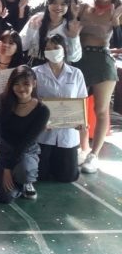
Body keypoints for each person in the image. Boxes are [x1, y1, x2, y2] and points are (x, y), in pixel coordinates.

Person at [74, 0, 122, 173]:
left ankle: (94, 155)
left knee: (101, 110)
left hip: (103, 60)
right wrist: (74, 15)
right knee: (78, 108)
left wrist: (116, 22)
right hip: (80, 60)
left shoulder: (117, 10)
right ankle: (82, 148)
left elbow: (119, 43)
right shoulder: (84, 8)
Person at [34, 34, 87, 183]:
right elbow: (31, 100)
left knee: (67, 177)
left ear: (64, 49)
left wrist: (82, 124)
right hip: (44, 132)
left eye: (56, 47)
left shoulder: (76, 73)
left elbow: (81, 100)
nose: (52, 51)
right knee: (40, 175)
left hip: (68, 133)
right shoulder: (35, 72)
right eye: (48, 48)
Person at [0, 65, 49, 203]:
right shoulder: (1, 100)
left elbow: (26, 143)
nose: (21, 88)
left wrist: (8, 168)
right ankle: (14, 183)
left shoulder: (42, 110)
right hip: (1, 150)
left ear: (34, 83)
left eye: (26, 84)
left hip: (25, 151)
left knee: (24, 171)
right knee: (4, 198)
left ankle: (25, 182)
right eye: (16, 84)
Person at [20, 0, 82, 66]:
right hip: (35, 66)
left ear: (68, 6)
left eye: (63, 4)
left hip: (58, 68)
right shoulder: (36, 19)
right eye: (54, 3)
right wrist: (31, 29)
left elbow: (74, 58)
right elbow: (22, 46)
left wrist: (74, 37)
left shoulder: (70, 26)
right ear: (48, 3)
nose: (58, 7)